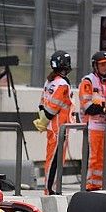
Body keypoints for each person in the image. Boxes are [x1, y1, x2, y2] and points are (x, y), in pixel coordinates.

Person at [79, 51, 106, 191]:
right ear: (95, 65)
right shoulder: (88, 81)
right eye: (103, 64)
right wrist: (105, 109)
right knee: (94, 157)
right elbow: (87, 107)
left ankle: (98, 185)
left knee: (103, 158)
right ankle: (90, 185)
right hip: (93, 125)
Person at [33, 50, 74, 195]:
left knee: (51, 159)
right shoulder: (62, 84)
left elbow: (42, 104)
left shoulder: (50, 81)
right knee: (55, 161)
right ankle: (51, 189)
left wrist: (43, 121)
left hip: (52, 127)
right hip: (59, 128)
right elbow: (52, 108)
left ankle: (51, 188)